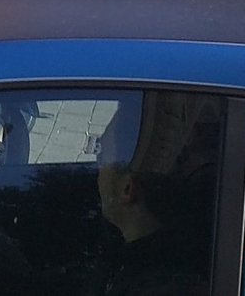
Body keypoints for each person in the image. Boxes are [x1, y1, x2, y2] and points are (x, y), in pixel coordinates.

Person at [91, 95, 214, 296]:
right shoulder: (163, 258)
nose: (97, 172)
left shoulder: (153, 284)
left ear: (127, 189)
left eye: (101, 159)